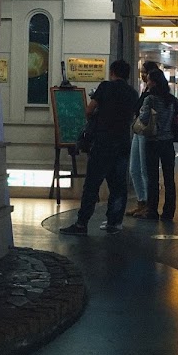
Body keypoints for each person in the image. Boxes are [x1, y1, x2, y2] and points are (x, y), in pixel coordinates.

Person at [60, 60, 139, 236]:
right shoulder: (132, 93)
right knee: (118, 186)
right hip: (122, 143)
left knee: (92, 185)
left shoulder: (105, 87)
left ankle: (81, 224)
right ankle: (114, 222)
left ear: (112, 72)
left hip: (103, 143)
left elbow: (89, 110)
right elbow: (134, 115)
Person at [137, 68, 178, 221]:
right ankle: (168, 212)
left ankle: (152, 211)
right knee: (169, 178)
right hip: (167, 142)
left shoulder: (150, 99)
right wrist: (171, 115)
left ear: (152, 82)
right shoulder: (170, 99)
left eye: (148, 80)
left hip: (152, 142)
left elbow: (143, 118)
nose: (146, 82)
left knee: (153, 178)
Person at [128, 61, 158, 218]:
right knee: (134, 168)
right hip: (138, 130)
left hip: (147, 132)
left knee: (145, 169)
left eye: (144, 71)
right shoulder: (145, 89)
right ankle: (141, 201)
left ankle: (148, 204)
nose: (142, 74)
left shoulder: (155, 92)